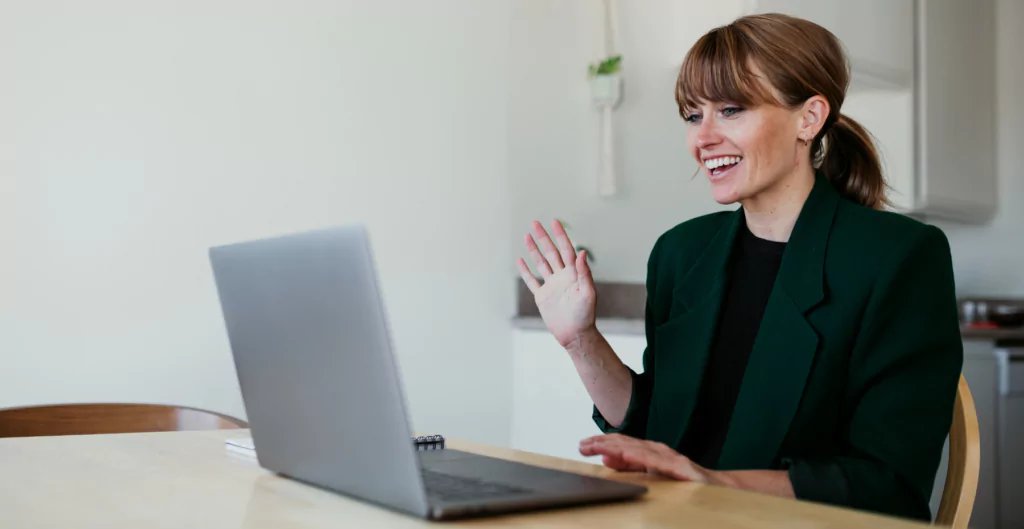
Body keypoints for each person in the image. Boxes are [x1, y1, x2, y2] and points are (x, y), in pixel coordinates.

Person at [515, 13, 962, 522]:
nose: (702, 138)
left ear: (809, 118)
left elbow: (889, 483)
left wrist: (716, 483)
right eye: (691, 115)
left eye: (730, 110)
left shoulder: (898, 257)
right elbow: (653, 429)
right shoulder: (680, 254)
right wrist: (580, 340)